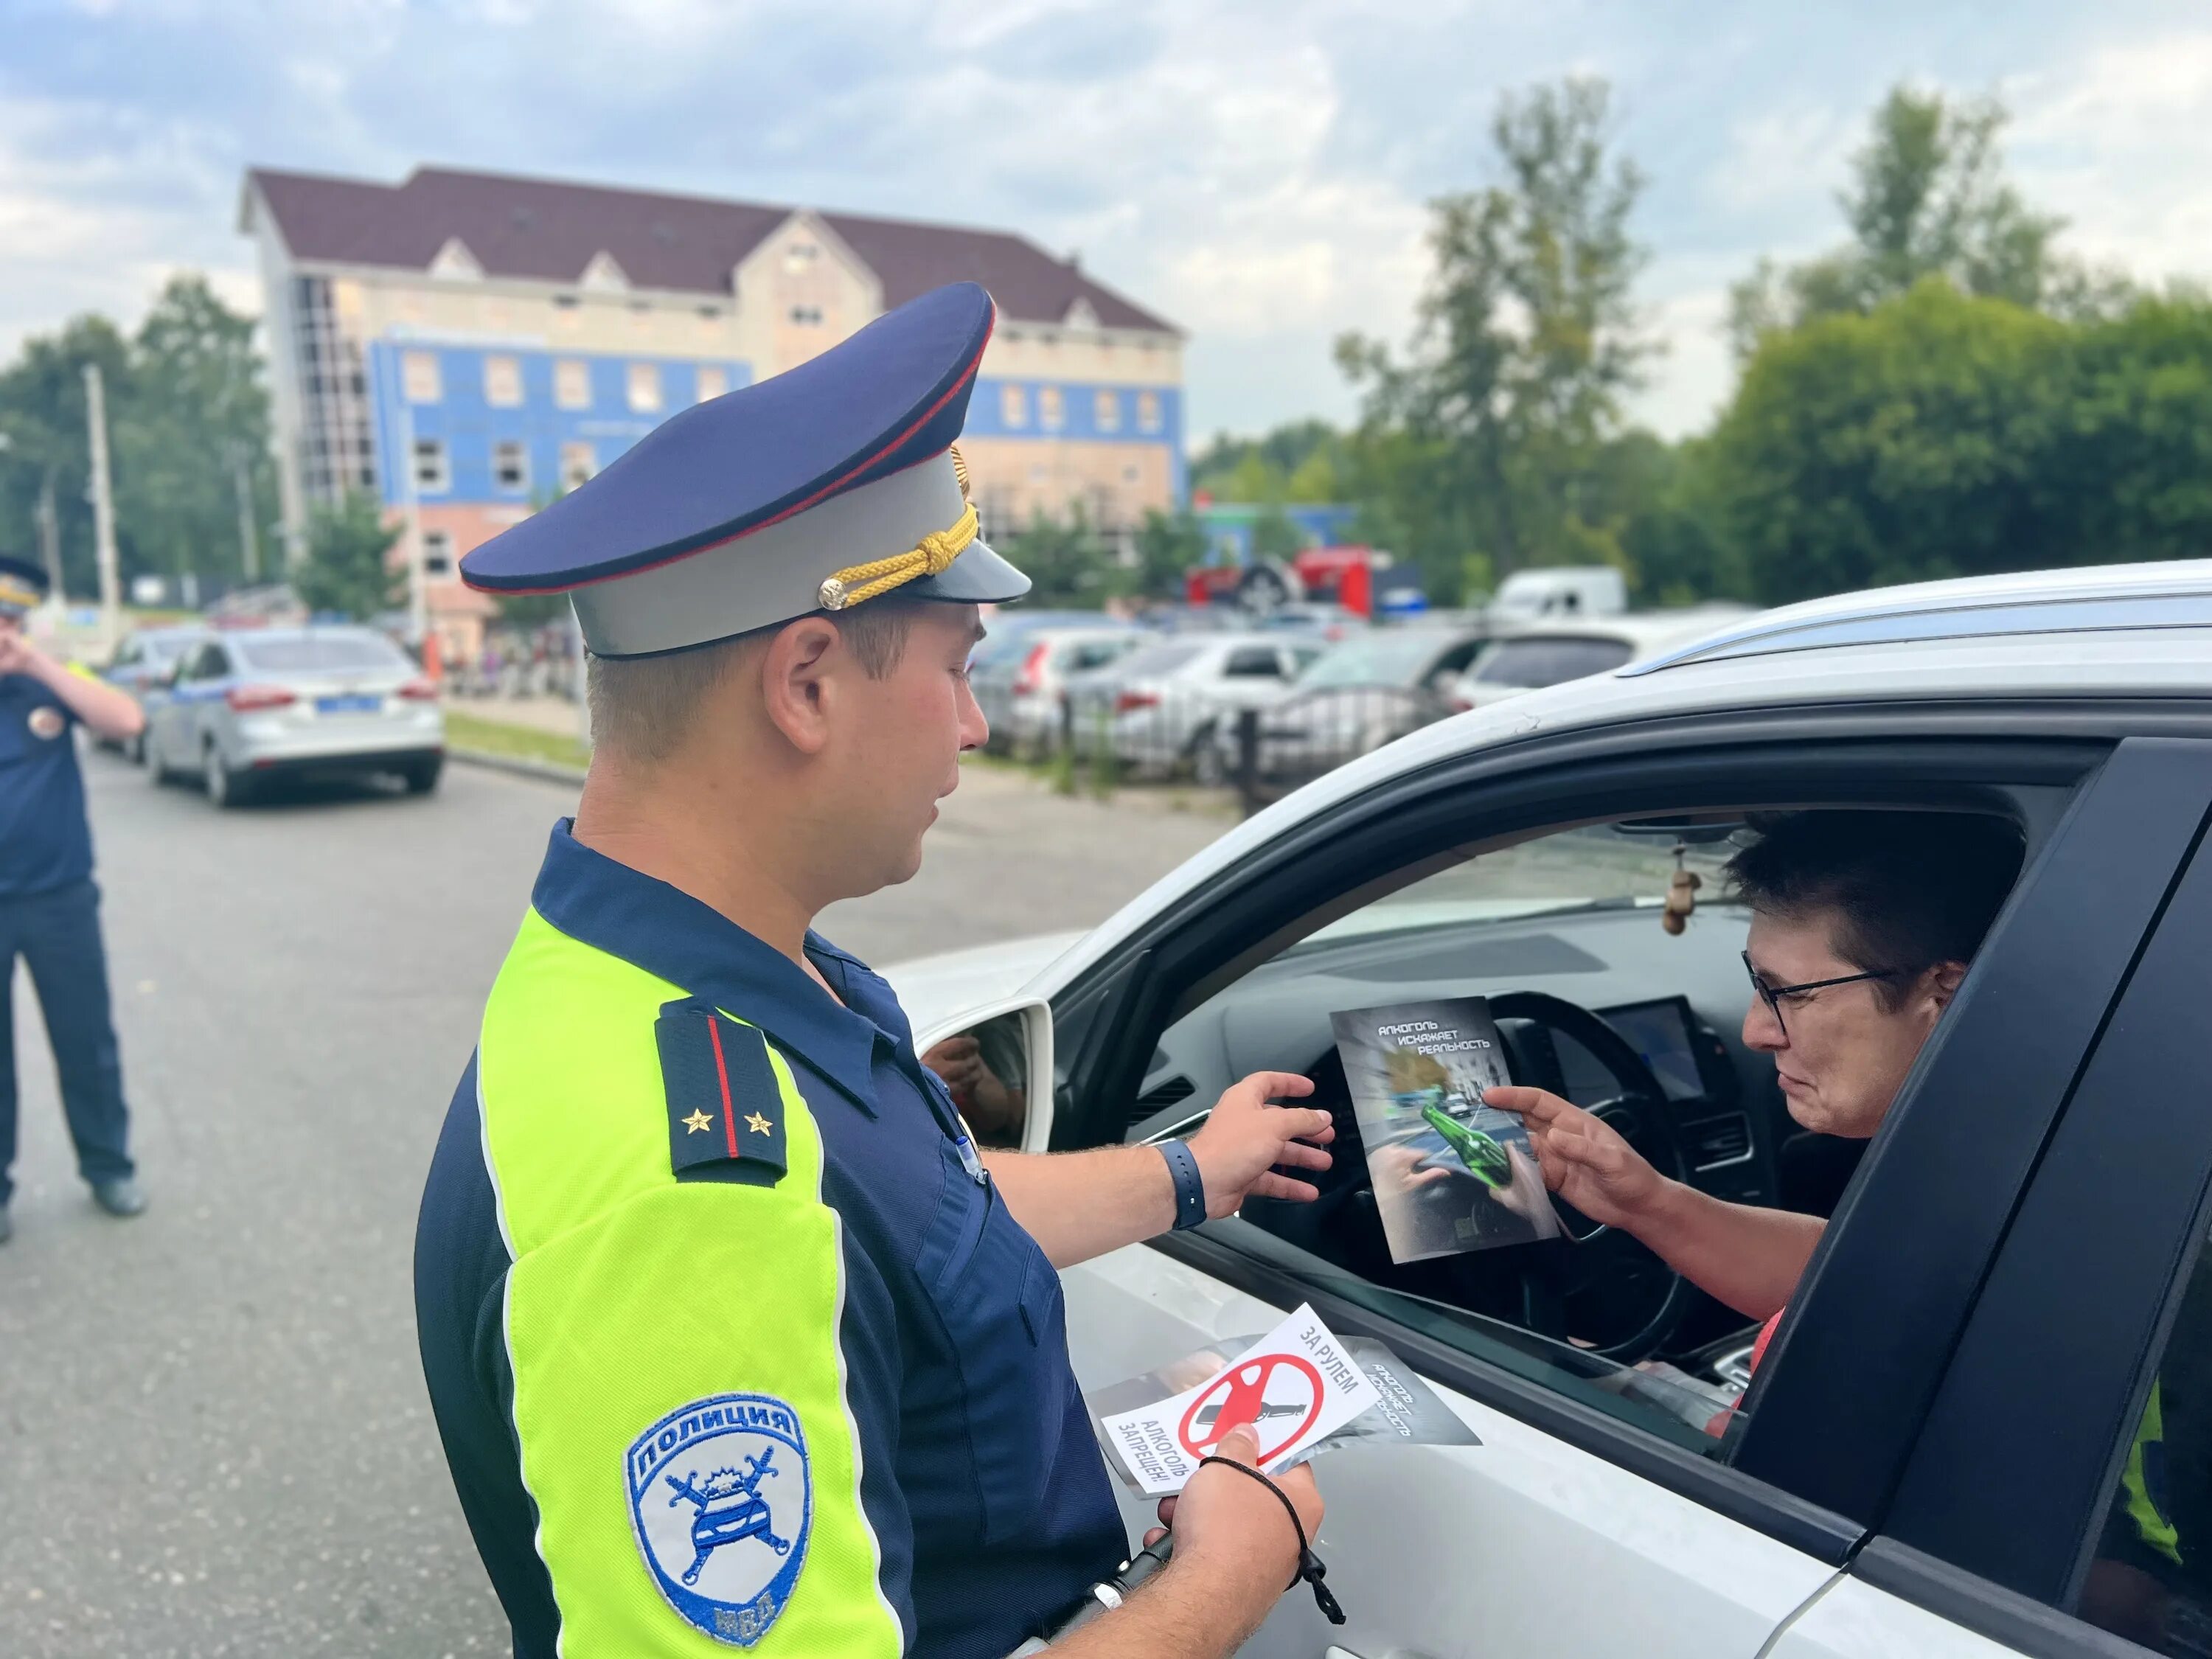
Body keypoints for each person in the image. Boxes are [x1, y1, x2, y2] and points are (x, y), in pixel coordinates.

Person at [414, 284, 1340, 1659]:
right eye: (959, 666)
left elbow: (919, 1231)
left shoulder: (708, 975)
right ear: (805, 684)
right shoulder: (690, 1197)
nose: (974, 724)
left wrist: (1191, 1174)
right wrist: (1233, 1564)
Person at [1489, 810, 2023, 1370]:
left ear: (1942, 990)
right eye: (1756, 986)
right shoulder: (2016, 1149)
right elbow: (1860, 1277)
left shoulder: (2033, 1222)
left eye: (1790, 994)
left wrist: (1636, 1397)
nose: (1755, 1032)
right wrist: (1648, 1203)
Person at [0, 555, 150, 1242]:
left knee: (86, 1041)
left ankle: (108, 1166)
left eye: (10, 621)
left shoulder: (50, 684)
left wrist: (37, 666)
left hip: (59, 897)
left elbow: (125, 720)